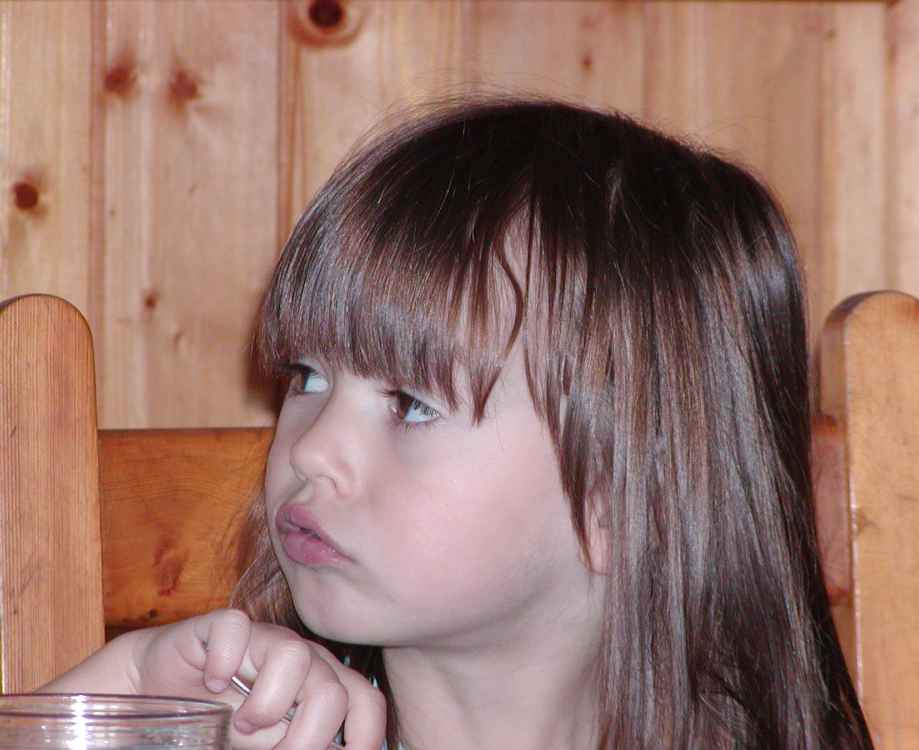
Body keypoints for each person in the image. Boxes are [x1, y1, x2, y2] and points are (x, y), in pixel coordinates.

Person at [44, 97, 873, 750]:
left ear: (629, 498)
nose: (313, 448)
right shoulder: (252, 731)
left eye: (412, 404)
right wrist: (126, 695)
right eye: (308, 376)